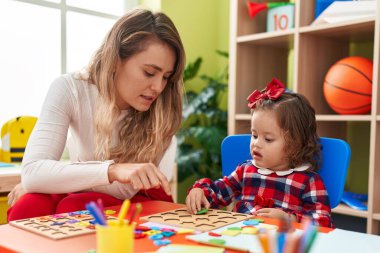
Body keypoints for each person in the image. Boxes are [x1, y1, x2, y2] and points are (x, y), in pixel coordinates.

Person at [7, 8, 185, 221]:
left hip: (140, 193)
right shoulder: (70, 88)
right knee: (27, 207)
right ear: (116, 59)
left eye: (166, 77)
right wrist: (113, 170)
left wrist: (49, 179)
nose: (158, 87)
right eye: (149, 72)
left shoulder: (162, 109)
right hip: (88, 185)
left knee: (74, 205)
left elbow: (120, 190)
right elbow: (33, 171)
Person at [186, 78, 333, 227]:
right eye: (254, 135)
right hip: (241, 238)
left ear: (295, 144)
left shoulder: (307, 181)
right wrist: (200, 191)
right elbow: (218, 192)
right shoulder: (246, 170)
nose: (256, 143)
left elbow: (323, 221)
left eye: (268, 139)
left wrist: (290, 220)